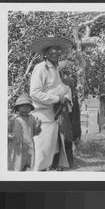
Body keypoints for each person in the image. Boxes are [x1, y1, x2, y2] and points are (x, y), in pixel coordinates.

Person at [29, 36, 73, 171]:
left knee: (50, 153)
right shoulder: (40, 68)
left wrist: (65, 98)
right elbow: (34, 93)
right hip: (42, 116)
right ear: (45, 53)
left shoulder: (56, 68)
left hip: (55, 116)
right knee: (40, 155)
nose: (56, 53)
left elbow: (63, 88)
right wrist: (57, 99)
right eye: (52, 51)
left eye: (58, 51)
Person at [9, 93, 42, 171]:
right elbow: (6, 130)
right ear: (17, 108)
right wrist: (9, 135)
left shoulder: (32, 118)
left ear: (31, 108)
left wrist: (38, 126)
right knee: (17, 164)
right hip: (17, 146)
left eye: (28, 106)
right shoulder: (13, 118)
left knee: (28, 165)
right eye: (23, 106)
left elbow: (35, 132)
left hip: (29, 146)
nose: (25, 108)